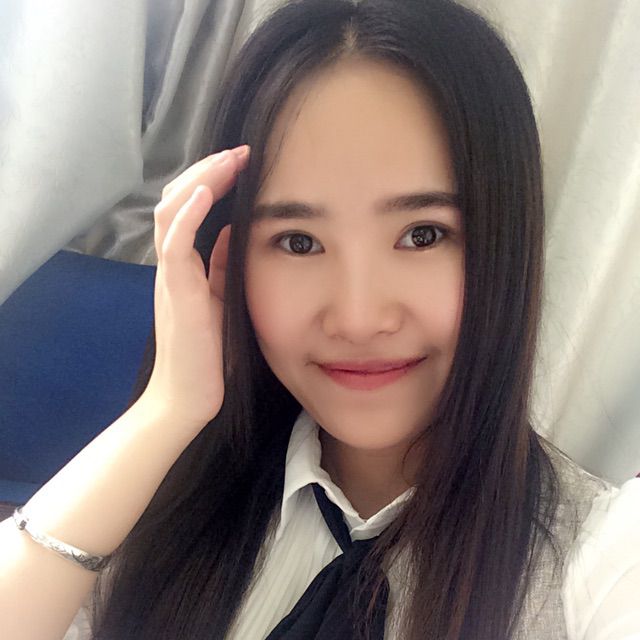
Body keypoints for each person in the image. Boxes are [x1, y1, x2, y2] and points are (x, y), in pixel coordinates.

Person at [1, 0, 639, 638]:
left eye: (422, 234)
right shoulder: (159, 506)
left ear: (507, 244)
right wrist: (166, 411)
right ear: (230, 258)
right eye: (299, 242)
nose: (358, 319)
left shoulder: (605, 560)